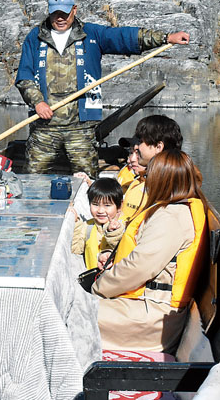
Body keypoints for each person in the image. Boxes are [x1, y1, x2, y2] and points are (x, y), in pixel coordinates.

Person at [15, 0, 190, 177]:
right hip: (44, 126)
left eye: (64, 13)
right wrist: (38, 102)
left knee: (86, 177)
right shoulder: (34, 37)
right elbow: (24, 75)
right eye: (55, 13)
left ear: (74, 10)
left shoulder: (91, 34)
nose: (60, 18)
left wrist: (166, 38)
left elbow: (124, 37)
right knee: (32, 176)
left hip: (81, 127)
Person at [92, 149, 208, 354]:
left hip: (153, 318)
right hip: (149, 309)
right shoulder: (176, 210)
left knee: (72, 312)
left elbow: (138, 267)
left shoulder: (171, 218)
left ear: (161, 181)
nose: (146, 181)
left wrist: (98, 287)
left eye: (150, 176)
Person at [119, 115, 184, 224]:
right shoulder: (146, 180)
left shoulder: (166, 188)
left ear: (158, 147)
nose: (136, 147)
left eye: (140, 142)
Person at [70, 177, 125, 271]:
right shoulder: (88, 226)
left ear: (119, 206)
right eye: (95, 204)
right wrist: (75, 223)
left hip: (117, 278)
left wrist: (112, 232)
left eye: (107, 205)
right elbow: (76, 249)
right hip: (94, 278)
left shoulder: (124, 226)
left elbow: (120, 246)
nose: (100, 210)